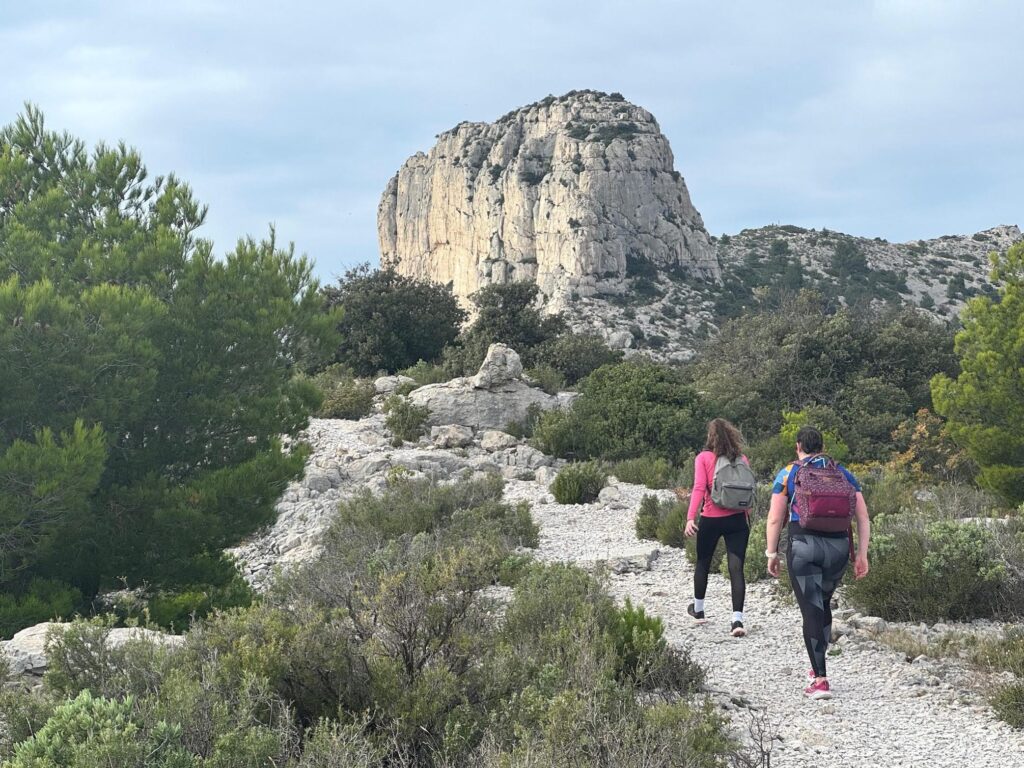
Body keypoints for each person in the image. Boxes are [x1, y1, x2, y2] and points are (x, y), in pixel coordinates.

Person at [765, 426, 870, 700]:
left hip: (804, 547)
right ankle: (816, 667)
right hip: (838, 548)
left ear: (798, 445)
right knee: (823, 605)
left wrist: (771, 552)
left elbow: (775, 518)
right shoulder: (843, 473)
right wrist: (862, 554)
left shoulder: (789, 472)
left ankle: (820, 679)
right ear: (822, 446)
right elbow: (863, 517)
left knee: (810, 610)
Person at [681, 418, 754, 637]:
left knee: (703, 562)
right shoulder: (742, 459)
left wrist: (690, 518)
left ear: (710, 436)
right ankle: (737, 620)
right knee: (736, 568)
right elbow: (746, 491)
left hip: (711, 518)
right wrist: (745, 516)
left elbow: (698, 488)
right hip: (738, 520)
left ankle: (699, 610)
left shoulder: (703, 458)